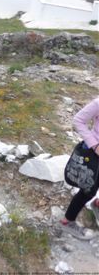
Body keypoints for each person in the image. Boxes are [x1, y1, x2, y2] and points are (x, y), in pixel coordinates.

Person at [59, 96, 99, 239]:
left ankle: (97, 205)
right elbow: (78, 120)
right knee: (88, 191)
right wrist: (94, 145)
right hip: (95, 154)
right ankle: (68, 221)